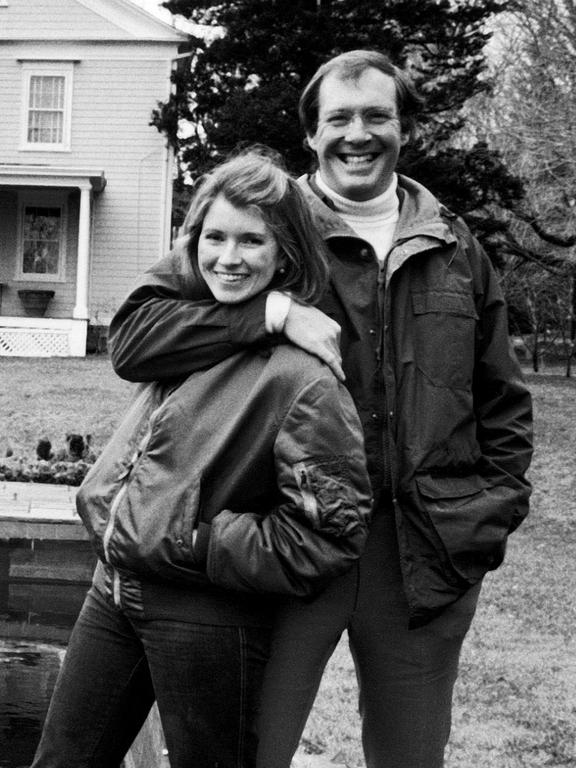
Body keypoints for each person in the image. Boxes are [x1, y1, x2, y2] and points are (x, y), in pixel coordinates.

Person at [107, 50, 534, 768]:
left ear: (404, 128)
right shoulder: (264, 225)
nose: (357, 134)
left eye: (376, 116)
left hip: (423, 560)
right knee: (251, 752)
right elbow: (134, 336)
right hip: (289, 547)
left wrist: (484, 521)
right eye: (338, 118)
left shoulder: (456, 246)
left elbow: (504, 403)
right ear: (312, 132)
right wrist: (269, 311)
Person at [30, 150, 372, 768]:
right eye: (214, 237)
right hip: (114, 588)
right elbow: (132, 339)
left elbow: (330, 535)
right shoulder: (191, 329)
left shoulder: (303, 379)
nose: (229, 257)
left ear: (286, 252)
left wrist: (201, 544)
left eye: (252, 240)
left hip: (204, 611)